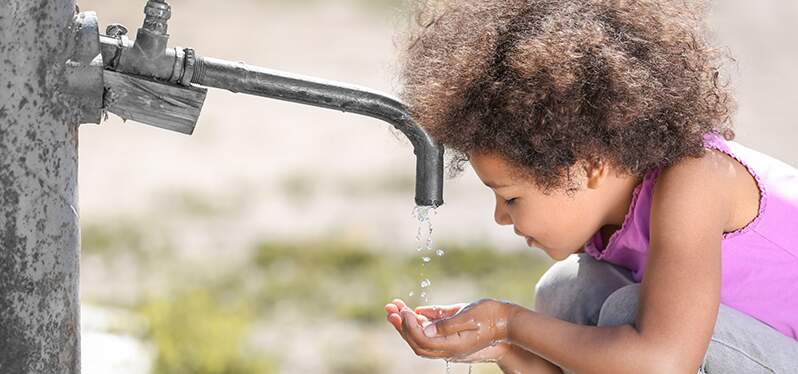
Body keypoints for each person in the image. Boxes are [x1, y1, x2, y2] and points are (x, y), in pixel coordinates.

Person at [383, 0, 798, 372]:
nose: (500, 217)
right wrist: (503, 345)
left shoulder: (696, 179)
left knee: (628, 312)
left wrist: (510, 321)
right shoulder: (606, 221)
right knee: (568, 289)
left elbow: (661, 363)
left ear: (588, 167)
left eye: (511, 197)